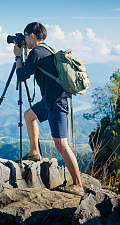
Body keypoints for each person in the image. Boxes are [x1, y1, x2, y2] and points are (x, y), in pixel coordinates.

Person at [13, 22, 84, 196]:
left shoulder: (36, 52)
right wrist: (26, 53)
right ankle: (34, 152)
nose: (24, 39)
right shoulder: (46, 49)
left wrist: (18, 57)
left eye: (25, 35)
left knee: (61, 145)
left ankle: (78, 185)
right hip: (49, 100)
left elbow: (22, 76)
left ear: (32, 36)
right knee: (29, 115)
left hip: (57, 102)